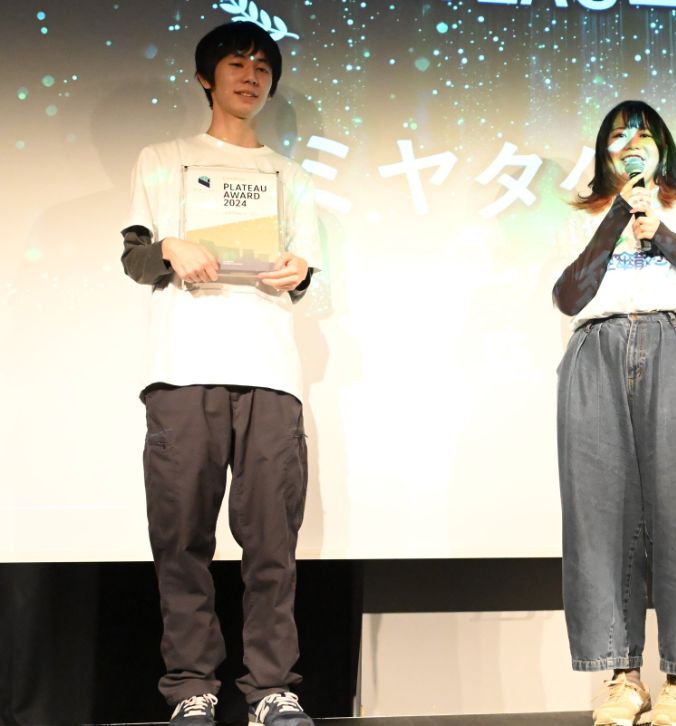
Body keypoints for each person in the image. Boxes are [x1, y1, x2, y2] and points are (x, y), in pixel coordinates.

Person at [119, 21, 322, 726]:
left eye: (263, 66)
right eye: (237, 63)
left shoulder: (290, 176)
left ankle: (271, 688)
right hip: (183, 368)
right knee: (181, 538)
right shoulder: (162, 160)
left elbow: (307, 271)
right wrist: (169, 247)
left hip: (270, 371)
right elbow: (135, 258)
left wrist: (298, 270)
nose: (251, 75)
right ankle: (190, 688)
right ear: (207, 77)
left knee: (272, 544)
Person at [552, 100, 676, 726]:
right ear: (604, 150)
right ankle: (622, 677)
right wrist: (617, 215)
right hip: (596, 349)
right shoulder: (582, 214)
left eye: (643, 133)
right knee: (600, 518)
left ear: (662, 147)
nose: (631, 142)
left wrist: (659, 231)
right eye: (619, 134)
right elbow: (568, 296)